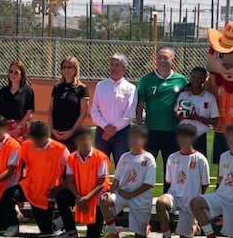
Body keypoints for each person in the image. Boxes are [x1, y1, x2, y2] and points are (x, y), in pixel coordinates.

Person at [8, 121, 69, 237]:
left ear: (47, 137)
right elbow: (20, 165)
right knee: (8, 195)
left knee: (46, 230)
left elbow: (72, 171)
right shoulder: (26, 145)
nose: (35, 143)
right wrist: (18, 182)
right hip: (30, 187)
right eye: (33, 139)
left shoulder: (60, 149)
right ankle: (13, 226)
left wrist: (61, 187)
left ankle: (60, 222)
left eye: (38, 140)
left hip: (48, 191)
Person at [136, 47, 188, 179]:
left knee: (171, 169)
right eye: (159, 57)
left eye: (165, 58)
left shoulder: (181, 80)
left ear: (173, 60)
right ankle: (144, 198)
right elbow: (140, 105)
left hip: (172, 132)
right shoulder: (146, 80)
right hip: (150, 132)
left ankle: (168, 198)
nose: (162, 61)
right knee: (146, 167)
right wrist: (140, 127)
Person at [99, 125, 157, 238]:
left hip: (140, 198)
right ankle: (112, 232)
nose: (133, 141)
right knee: (104, 200)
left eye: (137, 138)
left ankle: (144, 228)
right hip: (122, 195)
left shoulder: (148, 158)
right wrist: (109, 193)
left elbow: (149, 184)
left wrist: (131, 194)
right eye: (131, 138)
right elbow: (117, 180)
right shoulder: (124, 157)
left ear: (144, 140)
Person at [156, 123, 211, 238]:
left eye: (185, 137)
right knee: (161, 202)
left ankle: (195, 227)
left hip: (190, 201)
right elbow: (169, 181)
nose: (182, 140)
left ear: (193, 138)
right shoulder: (172, 157)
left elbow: (205, 184)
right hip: (174, 196)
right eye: (180, 136)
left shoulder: (200, 159)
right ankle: (166, 236)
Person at [55, 126, 111, 238]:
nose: (85, 142)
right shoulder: (71, 158)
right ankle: (70, 230)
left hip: (96, 194)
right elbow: (69, 182)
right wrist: (79, 197)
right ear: (75, 142)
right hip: (79, 193)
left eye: (87, 139)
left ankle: (102, 224)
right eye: (81, 140)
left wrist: (87, 198)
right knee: (62, 197)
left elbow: (101, 183)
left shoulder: (100, 157)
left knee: (93, 235)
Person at [90, 53, 137, 165]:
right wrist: (105, 127)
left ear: (124, 68)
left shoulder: (131, 88)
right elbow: (94, 111)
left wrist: (113, 129)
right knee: (100, 165)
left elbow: (129, 114)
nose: (113, 68)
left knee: (122, 166)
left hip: (121, 134)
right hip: (102, 132)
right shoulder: (100, 85)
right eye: (111, 65)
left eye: (117, 65)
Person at [174, 66, 219, 157]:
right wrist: (183, 115)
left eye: (199, 78)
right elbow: (176, 114)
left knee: (199, 162)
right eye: (193, 77)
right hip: (184, 134)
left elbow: (215, 121)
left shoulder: (209, 97)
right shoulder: (183, 95)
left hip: (200, 136)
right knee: (182, 162)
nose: (196, 80)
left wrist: (196, 118)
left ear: (204, 79)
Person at [49, 56, 89, 152]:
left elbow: (84, 112)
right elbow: (50, 110)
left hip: (72, 135)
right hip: (56, 133)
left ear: (75, 70)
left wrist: (72, 131)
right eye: (64, 67)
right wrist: (52, 129)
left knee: (71, 163)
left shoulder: (82, 89)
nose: (66, 70)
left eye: (70, 67)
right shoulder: (57, 87)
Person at [0, 59, 35, 140]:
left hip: (20, 130)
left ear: (22, 75)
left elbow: (29, 113)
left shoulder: (27, 90)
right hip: (4, 128)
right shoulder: (3, 91)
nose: (13, 74)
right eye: (11, 71)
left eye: (16, 72)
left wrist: (17, 129)